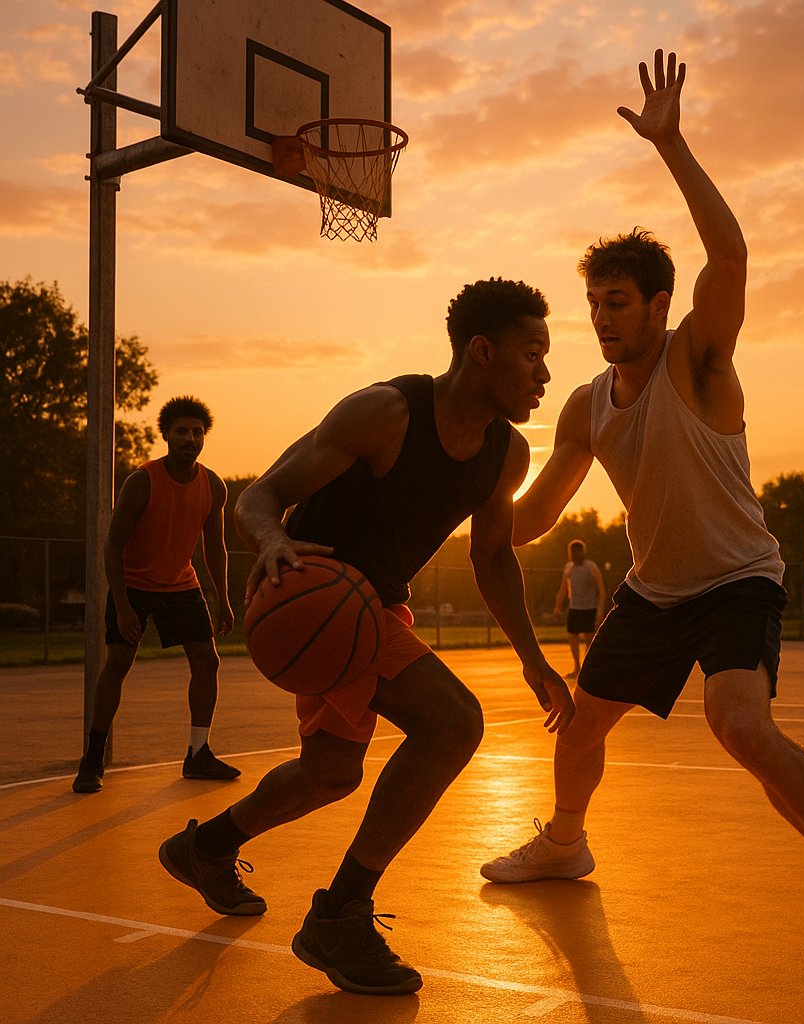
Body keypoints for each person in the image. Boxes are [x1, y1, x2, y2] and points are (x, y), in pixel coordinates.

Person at [480, 50, 804, 976]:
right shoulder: (586, 406)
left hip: (737, 579)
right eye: (594, 304)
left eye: (618, 302)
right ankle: (565, 844)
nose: (602, 318)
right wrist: (441, 514)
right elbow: (533, 517)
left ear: (659, 305)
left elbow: (732, 256)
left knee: (739, 722)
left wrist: (670, 144)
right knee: (579, 728)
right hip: (654, 590)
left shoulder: (698, 359)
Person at [158, 278, 574, 997]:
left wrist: (533, 659)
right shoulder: (387, 413)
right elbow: (260, 495)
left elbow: (492, 557)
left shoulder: (506, 454)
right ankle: (339, 914)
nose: (544, 372)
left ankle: (206, 847)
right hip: (314, 599)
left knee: (330, 774)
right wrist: (272, 543)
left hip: (364, 611)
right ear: (482, 351)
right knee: (454, 723)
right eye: (532, 353)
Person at [72, 396, 238, 794]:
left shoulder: (213, 485)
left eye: (197, 432)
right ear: (166, 435)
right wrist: (123, 606)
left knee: (207, 661)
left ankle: (198, 753)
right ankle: (92, 760)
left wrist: (223, 598)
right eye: (182, 431)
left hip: (181, 583)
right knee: (118, 663)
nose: (190, 438)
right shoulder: (142, 481)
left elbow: (215, 547)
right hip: (134, 584)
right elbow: (113, 546)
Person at [553, 539, 606, 677]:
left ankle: (587, 670)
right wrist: (557, 607)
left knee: (589, 640)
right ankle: (577, 667)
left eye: (579, 550)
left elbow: (601, 590)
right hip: (574, 608)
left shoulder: (591, 567)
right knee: (572, 637)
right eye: (574, 551)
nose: (577, 553)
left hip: (590, 608)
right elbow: (563, 589)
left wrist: (600, 610)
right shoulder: (568, 568)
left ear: (583, 551)